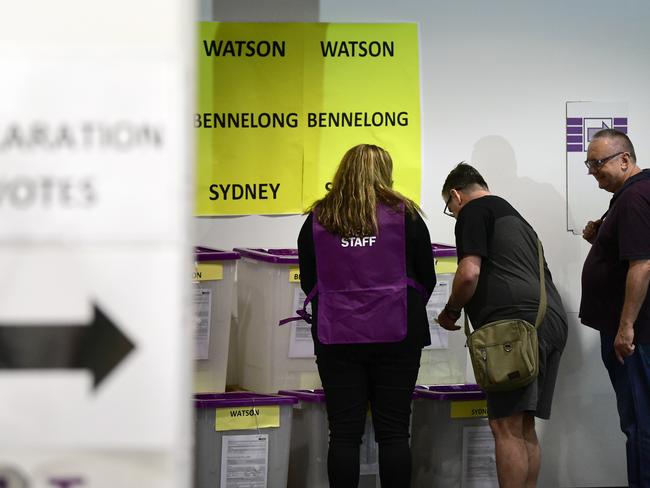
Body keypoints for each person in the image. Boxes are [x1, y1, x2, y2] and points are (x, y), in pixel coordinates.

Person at [297, 144, 436, 488]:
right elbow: (426, 277)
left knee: (343, 433)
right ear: (385, 173)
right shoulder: (406, 215)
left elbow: (309, 280)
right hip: (398, 334)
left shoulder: (319, 217)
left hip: (337, 335)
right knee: (393, 433)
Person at [436, 162, 568, 488]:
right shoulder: (517, 218)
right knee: (523, 426)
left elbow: (469, 273)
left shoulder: (474, 211)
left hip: (515, 328)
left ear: (456, 195)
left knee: (504, 426)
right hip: (548, 322)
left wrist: (450, 311)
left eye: (450, 210)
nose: (454, 215)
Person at [580, 128, 650, 488]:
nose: (593, 171)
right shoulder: (626, 195)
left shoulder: (636, 197)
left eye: (598, 163)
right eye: (589, 164)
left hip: (636, 338)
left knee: (641, 424)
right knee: (638, 423)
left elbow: (642, 264)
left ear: (625, 159)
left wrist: (625, 329)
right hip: (632, 335)